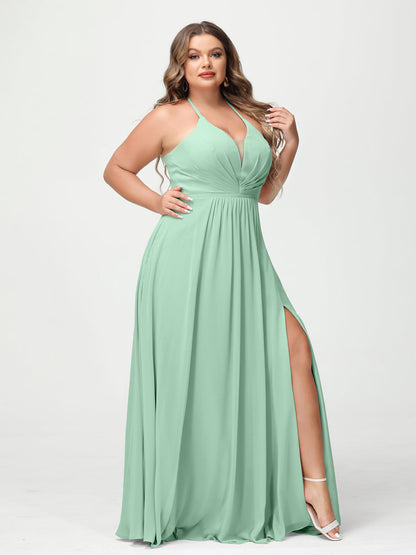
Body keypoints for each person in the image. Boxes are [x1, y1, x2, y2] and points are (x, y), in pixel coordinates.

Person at [103, 20, 342, 548]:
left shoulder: (250, 117)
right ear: (181, 65)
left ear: (228, 61)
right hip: (184, 260)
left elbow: (263, 194)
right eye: (193, 56)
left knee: (294, 349)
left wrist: (291, 143)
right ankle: (194, 498)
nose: (205, 63)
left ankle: (314, 487)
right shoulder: (167, 116)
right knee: (197, 375)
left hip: (246, 258)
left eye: (214, 53)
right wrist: (157, 200)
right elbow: (116, 169)